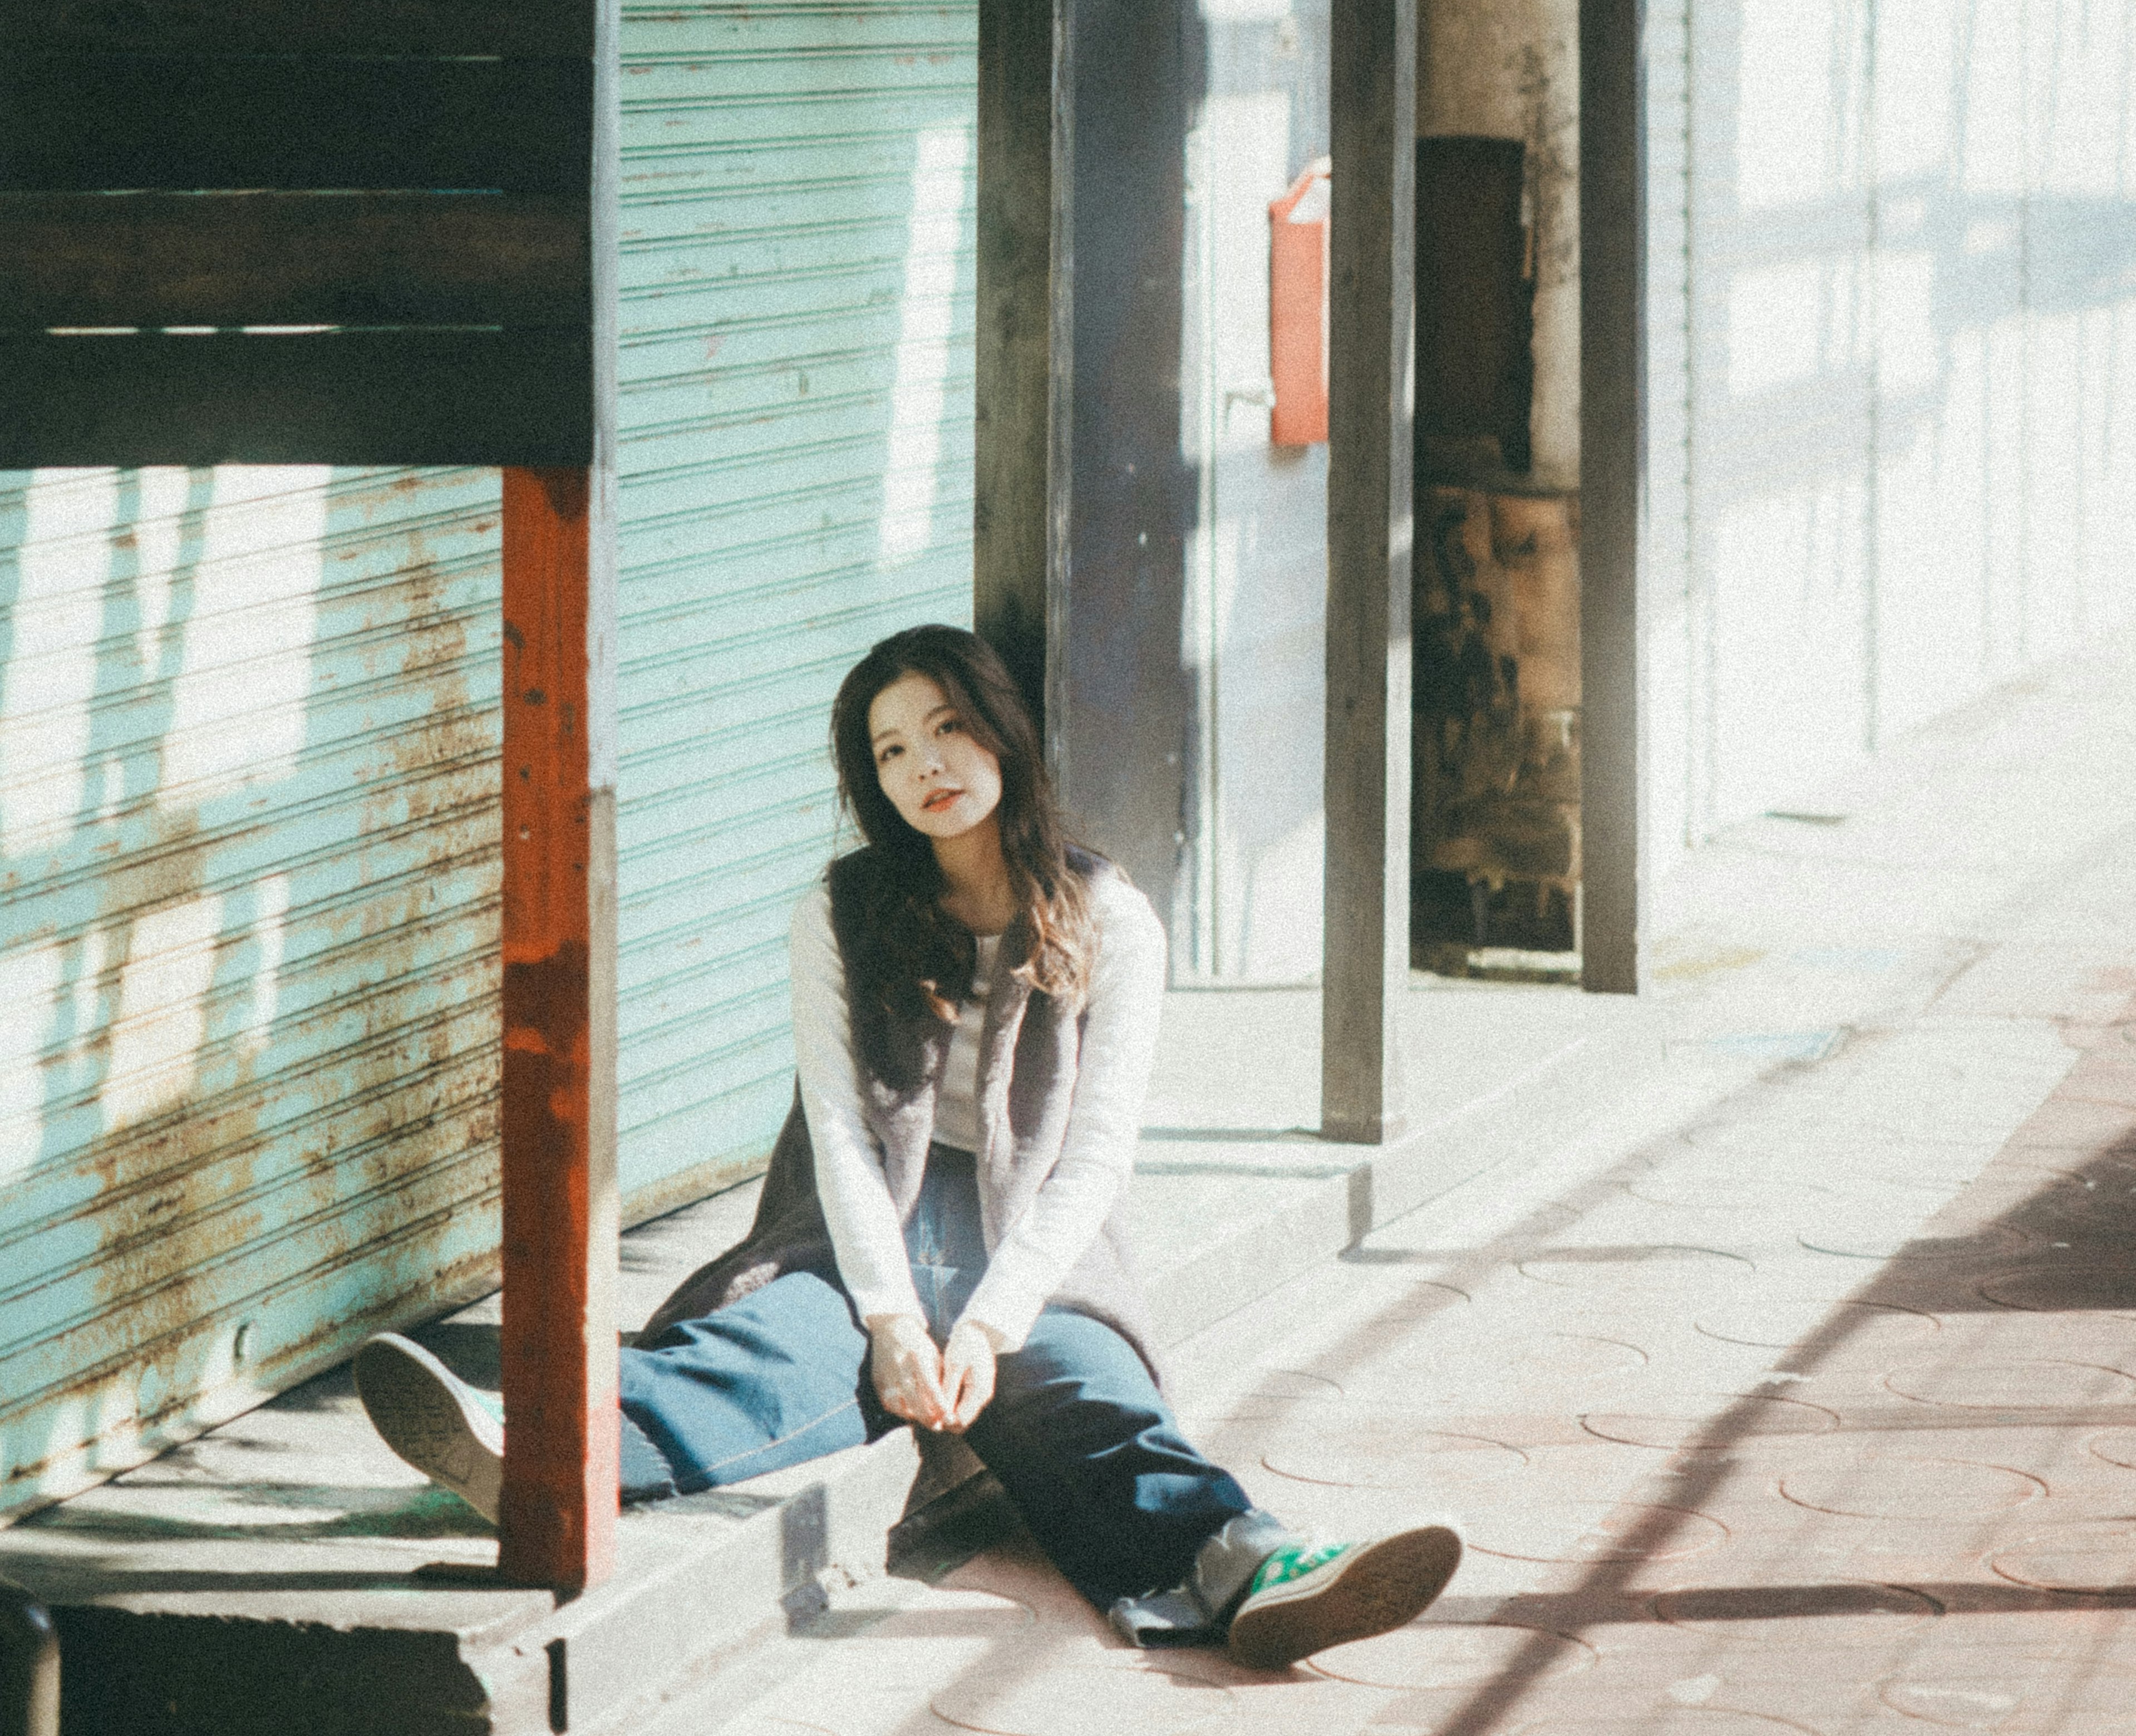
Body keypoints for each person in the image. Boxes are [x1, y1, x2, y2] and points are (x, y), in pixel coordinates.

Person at [353, 623, 1464, 1670]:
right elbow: (839, 1128)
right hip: (865, 1223)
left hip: (1029, 1231)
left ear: (1002, 732)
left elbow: (1094, 1159)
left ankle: (1258, 1568)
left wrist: (989, 1322)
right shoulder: (839, 912)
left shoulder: (1112, 917)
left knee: (1085, 1392)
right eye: (891, 749)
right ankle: (543, 1445)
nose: (923, 763)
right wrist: (891, 1318)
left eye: (946, 728)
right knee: (775, 1356)